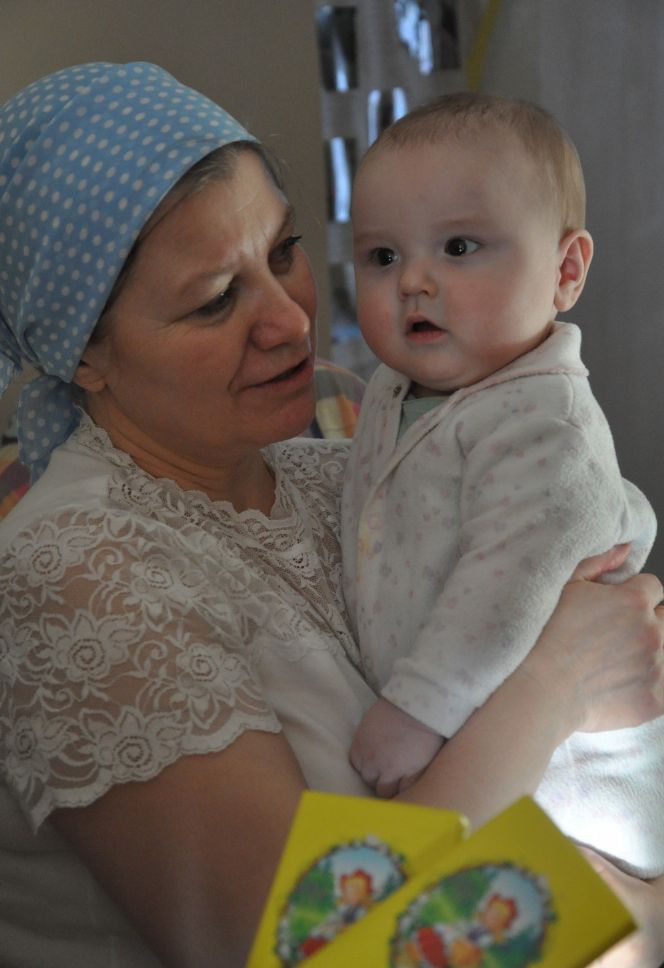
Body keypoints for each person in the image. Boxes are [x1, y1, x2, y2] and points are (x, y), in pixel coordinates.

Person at [0, 64, 662, 968]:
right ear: (86, 357)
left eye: (285, 252)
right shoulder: (74, 578)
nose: (289, 321)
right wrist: (561, 683)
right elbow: (315, 946)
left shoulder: (337, 472)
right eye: (215, 299)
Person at [343, 92, 664, 878]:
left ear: (565, 271)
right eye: (382, 257)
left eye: (459, 247)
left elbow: (507, 583)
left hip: (582, 780)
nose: (413, 281)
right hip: (483, 754)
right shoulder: (392, 391)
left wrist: (417, 710)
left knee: (568, 901)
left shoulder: (543, 420)